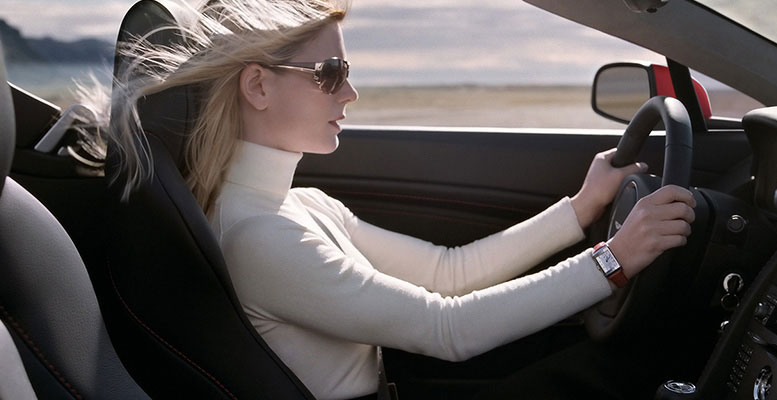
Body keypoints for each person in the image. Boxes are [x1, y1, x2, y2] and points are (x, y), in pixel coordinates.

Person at [103, 0, 696, 398]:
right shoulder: (260, 237)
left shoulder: (302, 207)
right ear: (258, 85)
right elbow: (447, 329)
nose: (352, 91)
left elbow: (448, 271)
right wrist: (613, 260)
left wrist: (581, 209)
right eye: (330, 73)